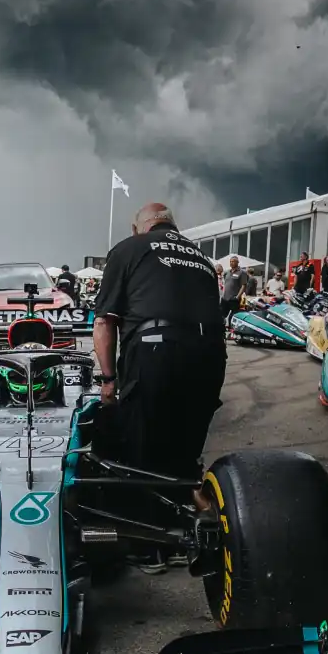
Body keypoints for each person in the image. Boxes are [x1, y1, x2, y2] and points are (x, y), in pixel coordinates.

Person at [93, 202, 226, 574]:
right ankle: (194, 531)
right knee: (184, 449)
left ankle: (149, 546)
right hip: (211, 354)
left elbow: (105, 321)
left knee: (140, 447)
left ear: (139, 228)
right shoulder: (198, 254)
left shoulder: (129, 248)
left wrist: (108, 381)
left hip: (158, 349)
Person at [220, 255, 248, 326]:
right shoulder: (227, 272)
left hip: (234, 298)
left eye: (233, 261)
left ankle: (231, 331)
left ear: (237, 262)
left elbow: (243, 286)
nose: (231, 263)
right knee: (221, 315)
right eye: (230, 262)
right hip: (225, 298)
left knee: (232, 317)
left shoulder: (242, 273)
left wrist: (237, 297)